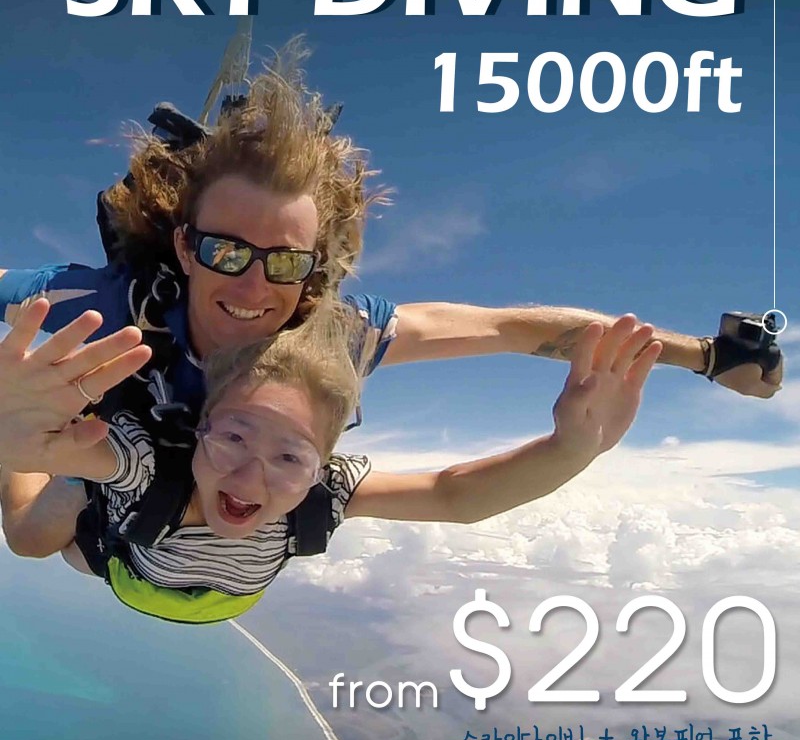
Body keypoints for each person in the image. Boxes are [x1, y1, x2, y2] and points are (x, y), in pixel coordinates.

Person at [0, 53, 783, 498]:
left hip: (234, 490)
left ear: (314, 270)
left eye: (285, 263)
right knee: (37, 532)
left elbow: (514, 329)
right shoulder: (91, 307)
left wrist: (710, 357)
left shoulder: (336, 334)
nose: (252, 287)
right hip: (108, 465)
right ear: (182, 247)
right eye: (226, 252)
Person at [1, 299, 662, 624]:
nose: (249, 477)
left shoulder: (327, 491)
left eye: (289, 455)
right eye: (233, 439)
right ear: (199, 429)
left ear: (323, 462)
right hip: (124, 558)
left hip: (187, 585)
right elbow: (26, 448)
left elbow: (452, 494)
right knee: (34, 538)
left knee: (65, 503)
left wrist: (571, 449)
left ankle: (79, 460)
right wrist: (20, 424)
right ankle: (81, 465)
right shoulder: (146, 461)